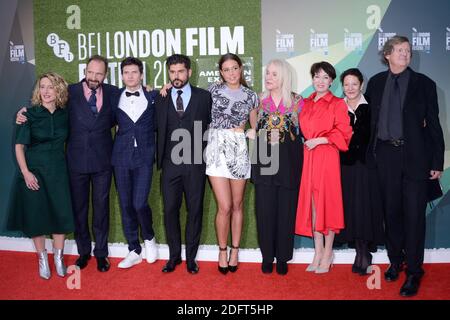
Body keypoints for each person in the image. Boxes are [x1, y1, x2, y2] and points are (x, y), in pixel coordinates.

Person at [17, 55, 118, 272]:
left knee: (101, 209)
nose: (94, 77)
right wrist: (22, 113)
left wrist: (150, 89)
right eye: (90, 72)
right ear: (85, 71)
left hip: (103, 162)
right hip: (74, 163)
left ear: (105, 75)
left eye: (99, 73)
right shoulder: (69, 92)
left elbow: (133, 100)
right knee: (79, 210)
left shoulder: (113, 93)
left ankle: (101, 254)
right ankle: (83, 253)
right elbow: (45, 108)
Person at [365, 35, 445, 297]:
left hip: (415, 159)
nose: (405, 54)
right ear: (387, 54)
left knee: (413, 217)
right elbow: (368, 125)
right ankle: (395, 261)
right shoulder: (375, 84)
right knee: (391, 214)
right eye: (399, 50)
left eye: (408, 50)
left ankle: (413, 272)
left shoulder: (424, 84)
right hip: (384, 157)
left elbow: (434, 125)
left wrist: (436, 162)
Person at [8, 72, 74, 279]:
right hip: (34, 172)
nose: (45, 91)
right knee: (37, 217)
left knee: (60, 214)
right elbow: (19, 147)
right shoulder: (28, 114)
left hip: (59, 172)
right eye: (42, 86)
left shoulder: (66, 114)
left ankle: (59, 257)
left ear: (59, 90)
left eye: (50, 87)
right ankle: (42, 258)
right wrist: (26, 173)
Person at [155, 54, 212, 274]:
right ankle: (174, 257)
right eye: (172, 72)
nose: (176, 76)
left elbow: (211, 127)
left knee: (195, 210)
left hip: (196, 164)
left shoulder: (204, 97)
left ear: (189, 72)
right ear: (168, 73)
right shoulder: (160, 97)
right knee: (170, 210)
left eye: (180, 71)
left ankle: (191, 259)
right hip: (169, 164)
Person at [295, 61, 352, 274]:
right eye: (317, 76)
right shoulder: (305, 103)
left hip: (327, 156)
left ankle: (328, 253)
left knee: (326, 205)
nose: (320, 81)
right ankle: (317, 252)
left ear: (331, 81)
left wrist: (320, 141)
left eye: (325, 77)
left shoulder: (337, 103)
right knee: (312, 206)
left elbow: (344, 132)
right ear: (312, 79)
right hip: (308, 157)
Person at [204, 53, 258, 274]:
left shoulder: (251, 95)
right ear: (221, 72)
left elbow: (255, 127)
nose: (231, 73)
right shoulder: (212, 91)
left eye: (234, 68)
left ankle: (235, 250)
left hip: (238, 149)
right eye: (226, 69)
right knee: (224, 206)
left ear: (240, 68)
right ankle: (222, 250)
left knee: (237, 205)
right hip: (216, 148)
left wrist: (246, 131)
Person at [252, 59, 304, 275]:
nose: (268, 78)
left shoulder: (298, 101)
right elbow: (253, 122)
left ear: (283, 76)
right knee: (264, 211)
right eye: (267, 73)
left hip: (290, 163)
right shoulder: (259, 100)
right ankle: (267, 256)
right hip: (264, 161)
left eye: (273, 74)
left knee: (286, 211)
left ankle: (282, 258)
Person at [334, 68, 384, 275]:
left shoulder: (373, 105)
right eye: (346, 84)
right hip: (344, 166)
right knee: (350, 207)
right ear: (342, 86)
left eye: (354, 84)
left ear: (361, 85)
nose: (351, 88)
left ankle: (364, 252)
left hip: (367, 166)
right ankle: (357, 248)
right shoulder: (337, 107)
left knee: (366, 207)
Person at [111, 57, 158, 269]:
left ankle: (149, 238)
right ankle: (134, 250)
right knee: (126, 204)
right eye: (126, 72)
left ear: (141, 75)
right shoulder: (114, 97)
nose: (130, 76)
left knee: (140, 203)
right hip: (120, 157)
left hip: (145, 157)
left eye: (134, 72)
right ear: (122, 75)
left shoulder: (154, 95)